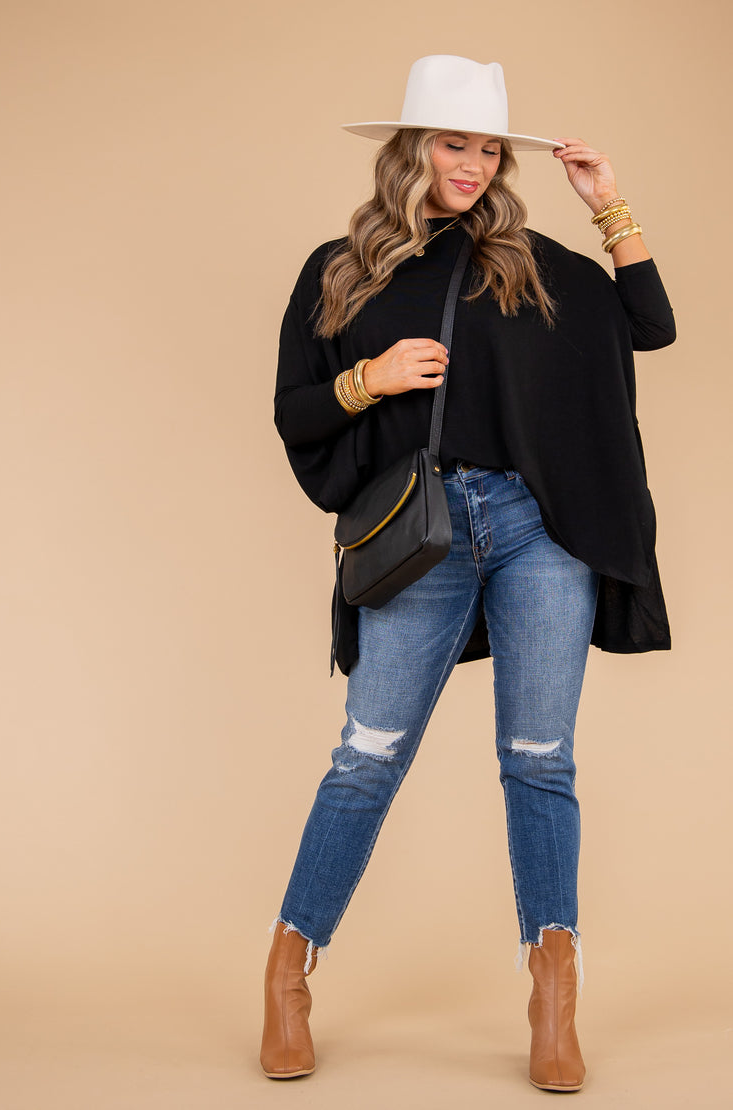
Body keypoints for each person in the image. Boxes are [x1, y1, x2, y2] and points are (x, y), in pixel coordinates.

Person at [261, 55, 675, 1091]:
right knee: (367, 756)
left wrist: (608, 203)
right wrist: (369, 379)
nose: (473, 165)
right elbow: (296, 409)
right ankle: (287, 975)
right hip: (424, 530)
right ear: (412, 148)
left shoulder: (533, 265)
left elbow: (650, 326)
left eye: (488, 148)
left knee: (539, 757)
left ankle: (553, 992)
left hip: (537, 531)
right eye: (454, 143)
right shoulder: (340, 270)